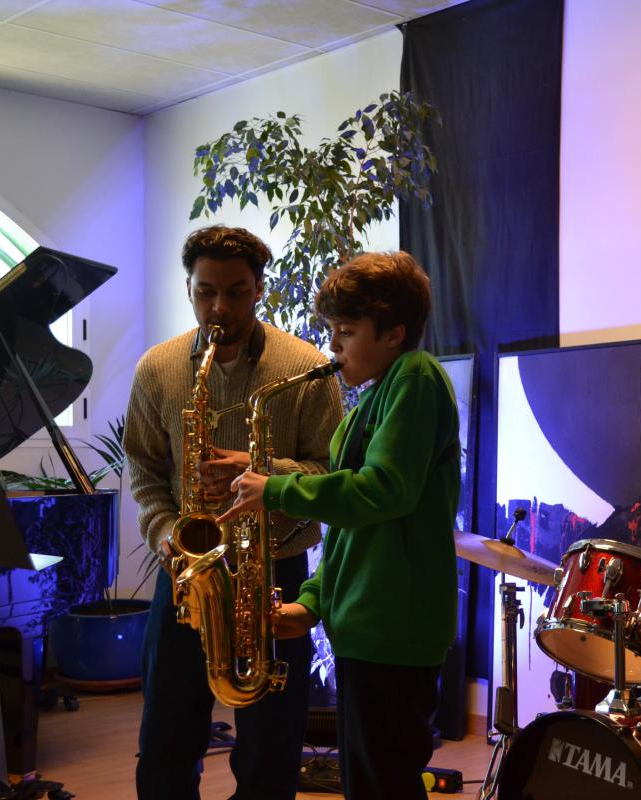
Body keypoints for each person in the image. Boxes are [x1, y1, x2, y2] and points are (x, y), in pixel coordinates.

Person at [219, 250, 461, 800]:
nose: (333, 345)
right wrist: (312, 602)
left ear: (395, 333)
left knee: (385, 785)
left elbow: (383, 491)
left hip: (394, 629)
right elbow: (350, 531)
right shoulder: (370, 403)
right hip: (366, 627)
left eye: (346, 331)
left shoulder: (416, 377)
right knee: (368, 785)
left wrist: (275, 488)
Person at [124, 225, 343, 800]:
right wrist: (169, 534)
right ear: (188, 289)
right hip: (186, 572)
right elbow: (143, 471)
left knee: (271, 745)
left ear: (260, 289)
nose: (219, 307)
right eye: (205, 291)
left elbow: (333, 476)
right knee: (166, 737)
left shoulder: (304, 367)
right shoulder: (157, 368)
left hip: (274, 569)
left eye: (237, 292)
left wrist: (262, 469)